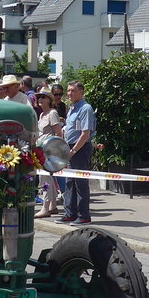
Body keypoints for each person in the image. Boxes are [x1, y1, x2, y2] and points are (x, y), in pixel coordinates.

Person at [60, 81, 95, 225]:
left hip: (80, 148)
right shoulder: (72, 108)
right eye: (68, 91)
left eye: (73, 91)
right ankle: (70, 213)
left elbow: (85, 134)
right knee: (69, 181)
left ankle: (84, 215)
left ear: (81, 92)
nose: (69, 93)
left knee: (80, 182)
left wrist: (74, 151)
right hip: (70, 147)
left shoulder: (85, 108)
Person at [34, 89, 64, 218]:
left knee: (45, 178)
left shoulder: (52, 113)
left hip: (49, 151)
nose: (40, 99)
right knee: (48, 178)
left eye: (43, 97)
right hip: (41, 150)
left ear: (49, 100)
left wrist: (56, 150)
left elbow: (58, 133)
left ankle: (45, 207)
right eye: (39, 97)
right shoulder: (42, 115)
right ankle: (52, 206)